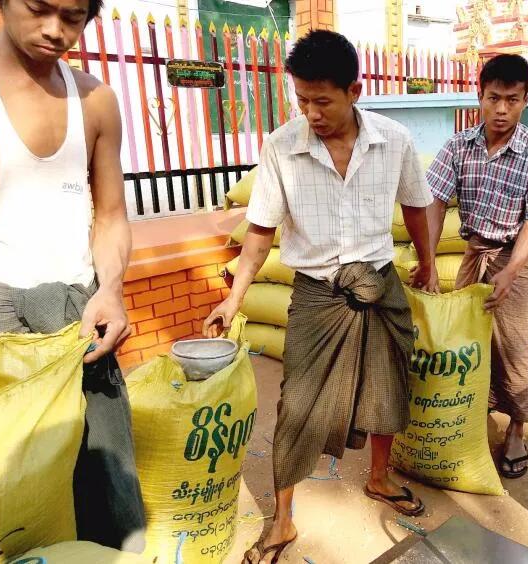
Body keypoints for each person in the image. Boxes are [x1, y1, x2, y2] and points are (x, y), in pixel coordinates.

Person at [203, 30, 438, 564]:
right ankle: (283, 518)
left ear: (354, 91)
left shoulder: (394, 140)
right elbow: (260, 230)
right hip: (317, 293)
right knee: (297, 404)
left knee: (388, 386)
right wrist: (235, 298)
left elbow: (415, 205)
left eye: (322, 101)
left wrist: (427, 263)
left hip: (379, 285)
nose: (310, 112)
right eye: (302, 99)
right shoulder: (281, 147)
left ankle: (378, 477)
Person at [0, 0, 145, 550]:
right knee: (13, 485)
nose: (55, 30)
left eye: (72, 17)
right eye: (39, 9)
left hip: (80, 310)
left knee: (105, 473)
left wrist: (111, 290)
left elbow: (110, 215)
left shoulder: (96, 100)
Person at [425, 54, 528, 479]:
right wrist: (428, 260)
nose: (501, 110)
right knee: (466, 341)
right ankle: (473, 413)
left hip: (515, 260)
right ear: (479, 96)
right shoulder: (457, 147)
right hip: (474, 254)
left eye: (512, 100)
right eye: (493, 98)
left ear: (526, 100)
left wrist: (511, 271)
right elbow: (434, 203)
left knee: (514, 347)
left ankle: (517, 428)